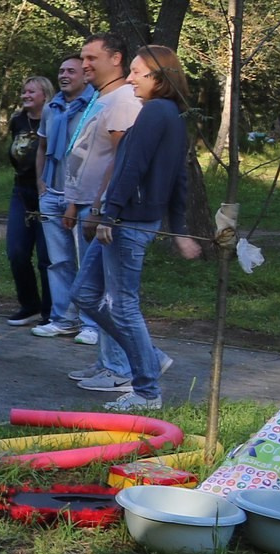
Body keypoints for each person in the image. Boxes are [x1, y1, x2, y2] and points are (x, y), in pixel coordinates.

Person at [83, 44, 201, 410]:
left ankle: (147, 390)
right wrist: (179, 228)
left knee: (123, 307)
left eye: (137, 72)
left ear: (160, 77)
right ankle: (149, 358)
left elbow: (132, 166)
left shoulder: (155, 115)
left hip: (127, 223)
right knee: (84, 296)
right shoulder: (168, 115)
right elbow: (178, 176)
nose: (130, 78)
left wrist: (110, 214)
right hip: (125, 219)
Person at [59, 32, 151, 396]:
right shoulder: (103, 97)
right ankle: (109, 362)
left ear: (116, 59)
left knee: (108, 295)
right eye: (82, 58)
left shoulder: (126, 99)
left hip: (104, 210)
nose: (85, 65)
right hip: (85, 203)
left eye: (91, 58)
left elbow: (120, 159)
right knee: (91, 293)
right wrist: (74, 200)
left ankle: (122, 368)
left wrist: (99, 207)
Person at [31, 53, 93, 338]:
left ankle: (93, 324)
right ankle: (63, 318)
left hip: (82, 197)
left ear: (85, 75)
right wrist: (41, 184)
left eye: (71, 71)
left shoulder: (95, 105)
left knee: (87, 261)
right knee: (58, 261)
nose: (64, 75)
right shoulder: (51, 108)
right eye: (61, 71)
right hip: (52, 193)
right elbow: (42, 147)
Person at [3, 75, 54, 325]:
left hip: (46, 191)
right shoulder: (18, 120)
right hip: (21, 192)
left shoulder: (54, 118)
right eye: (24, 92)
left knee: (47, 257)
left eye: (31, 92)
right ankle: (29, 304)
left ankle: (51, 310)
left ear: (45, 95)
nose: (26, 96)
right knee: (16, 251)